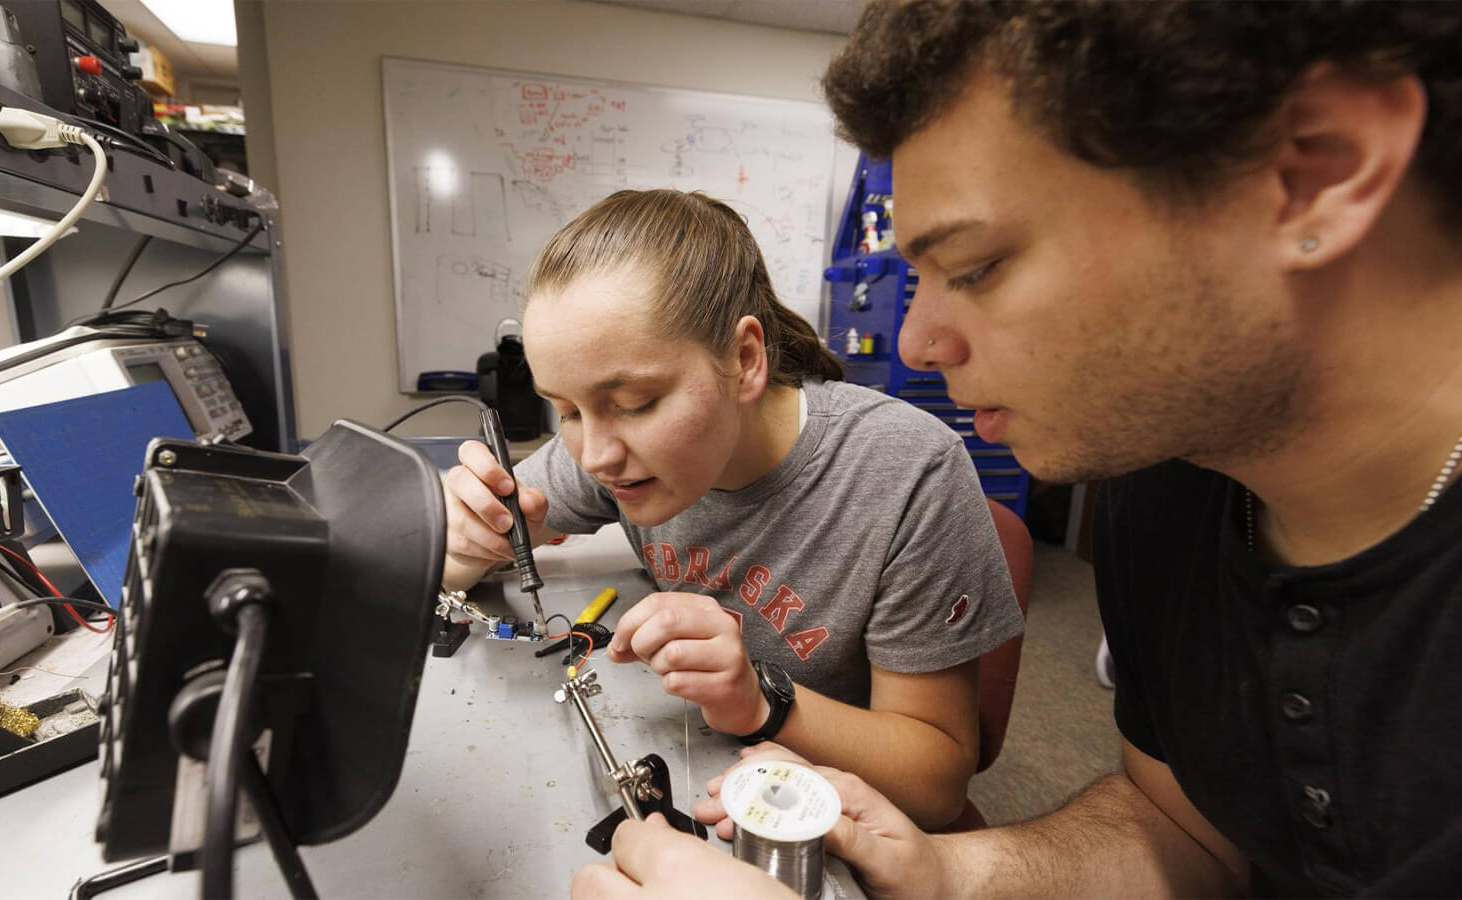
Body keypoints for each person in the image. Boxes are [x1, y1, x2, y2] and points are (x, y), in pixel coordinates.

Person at [571, 2, 1462, 897]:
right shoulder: (1169, 486)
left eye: (976, 267)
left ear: (1316, 173)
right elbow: (1184, 831)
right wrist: (946, 869)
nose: (915, 340)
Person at [442, 188, 1022, 830]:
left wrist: (759, 700)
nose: (596, 455)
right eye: (568, 410)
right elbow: (476, 543)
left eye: (633, 402)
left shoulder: (906, 472)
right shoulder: (613, 451)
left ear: (745, 360)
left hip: (828, 814)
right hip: (704, 768)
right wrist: (463, 538)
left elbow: (938, 785)